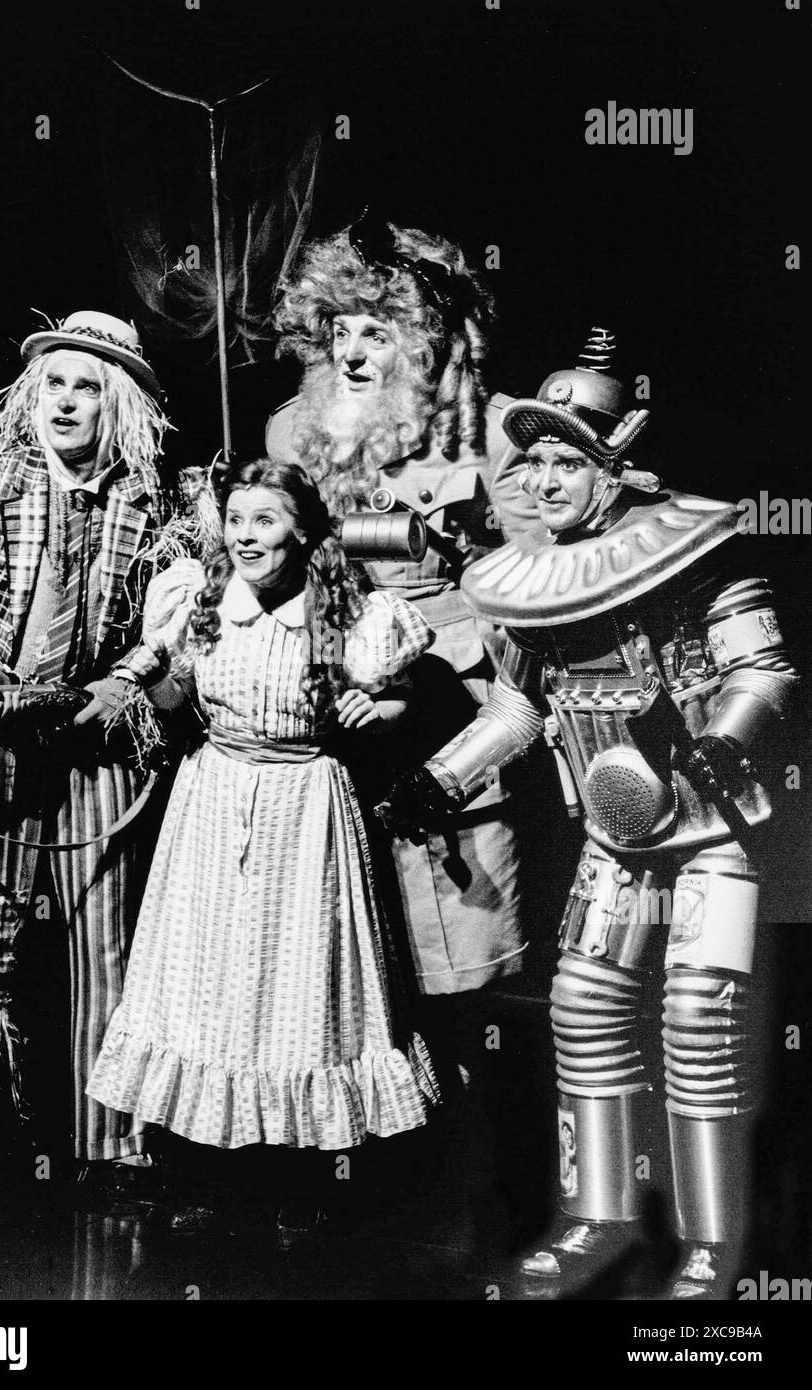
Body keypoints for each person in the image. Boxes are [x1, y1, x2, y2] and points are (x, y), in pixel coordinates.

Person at [383, 328, 798, 1299]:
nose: (547, 475)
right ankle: (597, 1216)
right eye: (535, 458)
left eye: (570, 457)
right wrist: (442, 779)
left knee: (699, 1016)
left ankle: (711, 1241)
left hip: (712, 837)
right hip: (614, 841)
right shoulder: (529, 584)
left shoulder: (694, 553)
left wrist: (725, 736)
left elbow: (763, 668)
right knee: (583, 1006)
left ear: (618, 461)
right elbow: (521, 706)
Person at [86, 459, 441, 1243]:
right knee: (206, 979)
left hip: (305, 803)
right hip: (213, 797)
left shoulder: (348, 611)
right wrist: (155, 677)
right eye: (237, 519)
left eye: (266, 521)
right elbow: (178, 698)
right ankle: (205, 1173)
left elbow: (402, 699)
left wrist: (371, 705)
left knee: (299, 980)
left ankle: (304, 1181)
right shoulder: (203, 599)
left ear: (304, 531)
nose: (246, 537)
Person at [0, 311, 171, 1202]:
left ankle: (111, 1146)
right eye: (54, 384)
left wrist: (116, 686)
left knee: (106, 946)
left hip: (96, 746)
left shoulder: (146, 500)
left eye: (87, 387)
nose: (66, 402)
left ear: (116, 405)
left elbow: (169, 630)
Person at [268, 208, 539, 1000]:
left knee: (463, 930)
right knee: (353, 940)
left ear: (420, 345)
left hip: (452, 697)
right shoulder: (291, 433)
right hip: (332, 702)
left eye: (376, 335)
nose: (351, 353)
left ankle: (482, 1090)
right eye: (341, 332)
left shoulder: (488, 433)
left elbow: (536, 580)